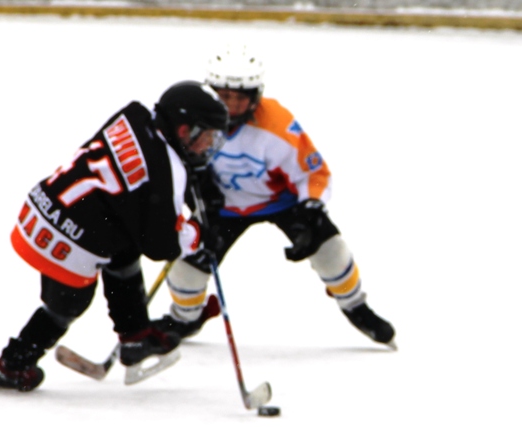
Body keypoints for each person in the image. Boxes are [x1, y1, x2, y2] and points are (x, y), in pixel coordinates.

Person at [0, 81, 229, 392]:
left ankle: (135, 336)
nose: (210, 145)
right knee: (67, 306)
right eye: (208, 136)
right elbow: (162, 245)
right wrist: (199, 236)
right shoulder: (170, 171)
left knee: (124, 245)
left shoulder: (135, 116)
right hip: (65, 238)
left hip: (41, 207)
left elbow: (137, 182)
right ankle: (11, 366)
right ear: (184, 131)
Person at [155, 45, 396, 349]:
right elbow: (173, 161)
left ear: (256, 97)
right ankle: (185, 318)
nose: (232, 105)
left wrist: (311, 208)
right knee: (187, 263)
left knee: (330, 249)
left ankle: (355, 306)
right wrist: (192, 192)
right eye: (224, 95)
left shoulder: (277, 125)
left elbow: (313, 172)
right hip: (221, 206)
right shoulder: (193, 118)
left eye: (240, 97)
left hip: (281, 201)